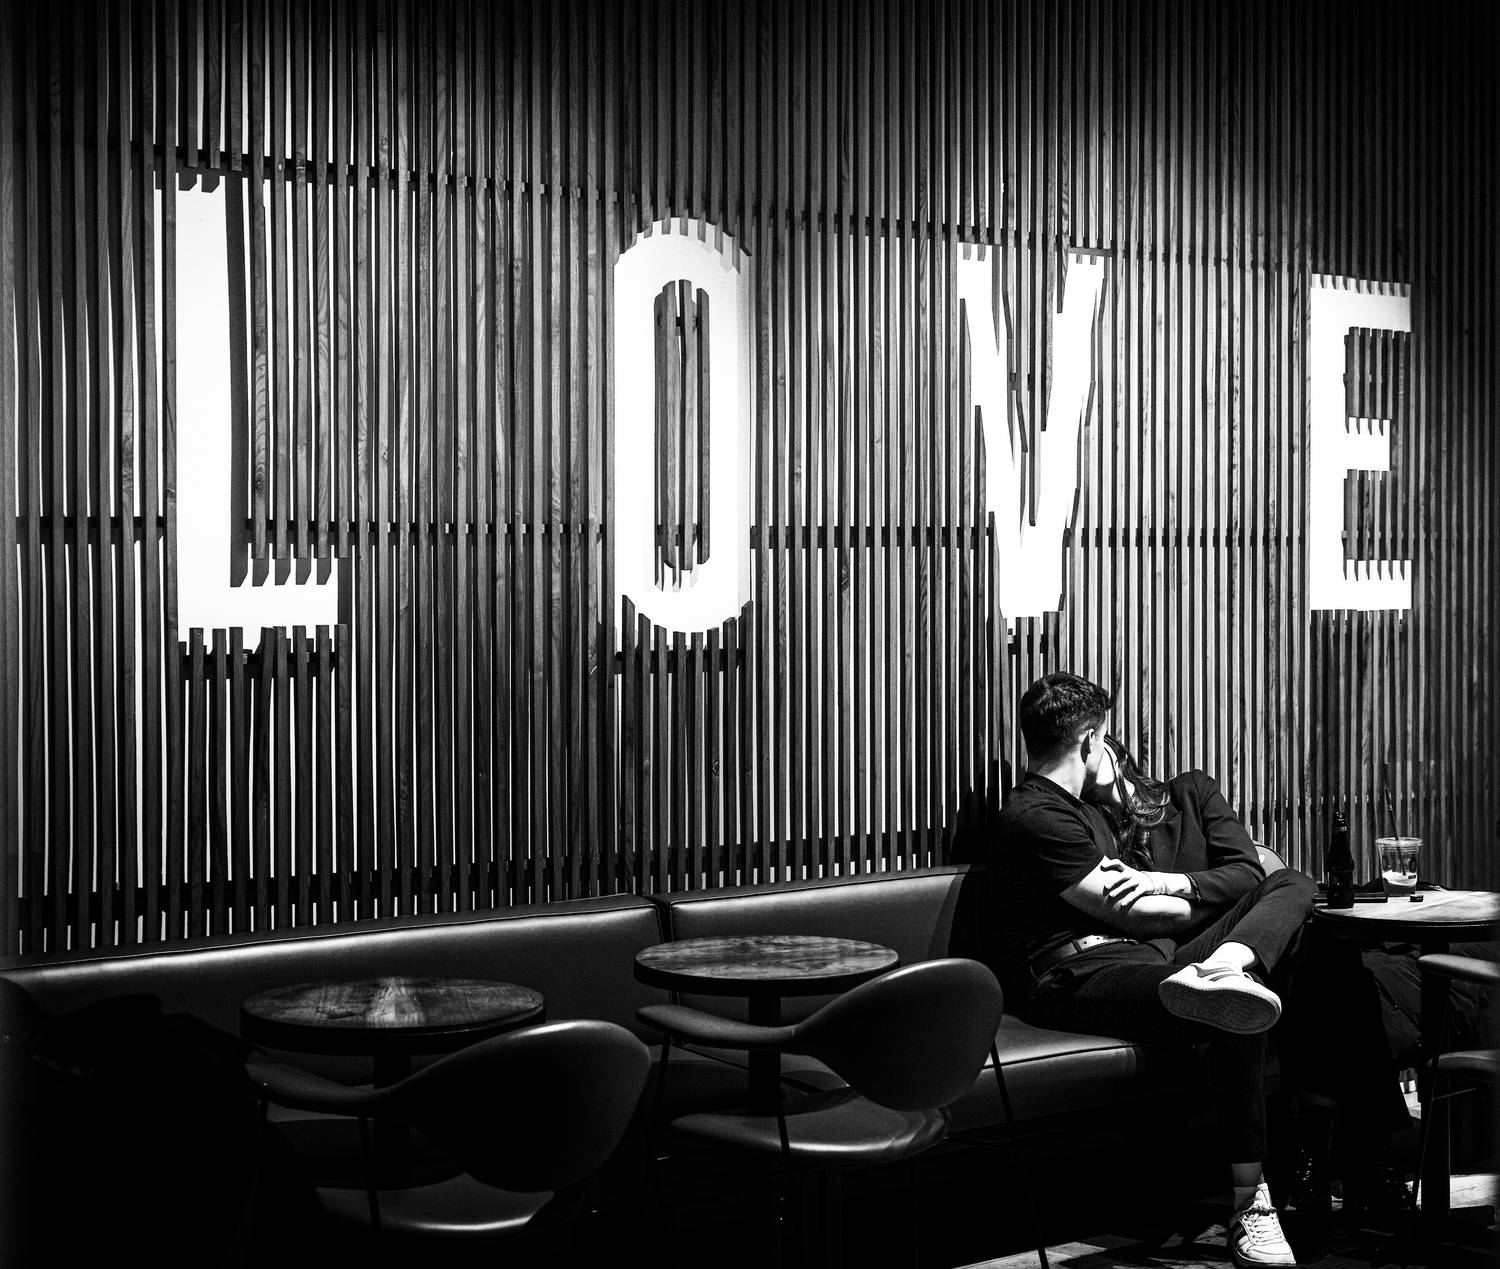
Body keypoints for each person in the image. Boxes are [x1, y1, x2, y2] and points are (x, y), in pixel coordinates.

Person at [986, 672, 1316, 1269]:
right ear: (1091, 738)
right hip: (1078, 974)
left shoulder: (1085, 810)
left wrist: (1178, 891)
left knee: (1291, 883)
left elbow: (1218, 883)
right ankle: (1252, 1204)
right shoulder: (1035, 812)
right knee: (1237, 1007)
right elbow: (1130, 912)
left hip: (1149, 963)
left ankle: (1226, 967)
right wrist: (1179, 896)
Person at [1082, 732, 1420, 1220]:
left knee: (1314, 928)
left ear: (1111, 749)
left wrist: (1164, 883)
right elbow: (1126, 916)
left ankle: (1318, 1155)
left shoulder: (1191, 793)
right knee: (1328, 961)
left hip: (1244, 946)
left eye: (1091, 753)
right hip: (1180, 964)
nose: (1086, 770)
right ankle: (1361, 1158)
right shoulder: (1087, 822)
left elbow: (1246, 874)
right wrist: (1202, 900)